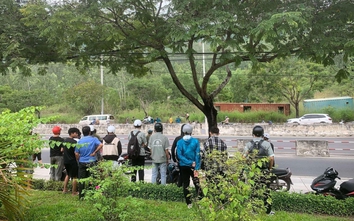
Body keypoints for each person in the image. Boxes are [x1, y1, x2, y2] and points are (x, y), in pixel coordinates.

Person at [243, 125, 275, 215]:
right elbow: (271, 158)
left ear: (253, 134)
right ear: (262, 134)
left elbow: (243, 157)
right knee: (266, 190)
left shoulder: (249, 144)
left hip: (253, 172)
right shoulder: (267, 144)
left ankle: (254, 211)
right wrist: (269, 168)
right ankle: (268, 211)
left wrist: (249, 166)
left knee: (254, 190)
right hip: (264, 170)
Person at [176, 124, 203, 208]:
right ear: (191, 132)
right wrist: (195, 166)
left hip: (183, 166)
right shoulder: (195, 141)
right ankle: (201, 201)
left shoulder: (179, 142)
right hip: (194, 166)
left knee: (186, 184)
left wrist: (188, 162)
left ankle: (189, 203)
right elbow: (198, 154)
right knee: (197, 184)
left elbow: (179, 155)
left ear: (183, 131)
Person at [75, 126, 103, 199]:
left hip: (82, 161)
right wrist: (94, 152)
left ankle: (81, 196)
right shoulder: (94, 139)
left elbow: (76, 153)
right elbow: (101, 145)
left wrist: (78, 159)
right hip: (92, 161)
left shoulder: (80, 141)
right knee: (93, 178)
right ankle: (92, 194)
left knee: (81, 179)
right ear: (89, 132)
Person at [63, 127, 80, 195]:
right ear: (72, 133)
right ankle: (74, 191)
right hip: (72, 161)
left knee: (68, 175)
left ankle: (64, 189)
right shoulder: (74, 142)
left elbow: (62, 150)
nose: (77, 134)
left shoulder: (64, 141)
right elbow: (76, 153)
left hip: (66, 160)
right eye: (76, 133)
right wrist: (77, 158)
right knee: (75, 177)